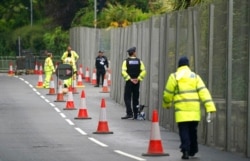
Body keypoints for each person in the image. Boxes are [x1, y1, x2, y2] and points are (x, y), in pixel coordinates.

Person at [162, 56, 216, 159]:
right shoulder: (195, 76)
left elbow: (168, 94)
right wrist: (210, 107)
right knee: (193, 131)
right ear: (188, 65)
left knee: (184, 131)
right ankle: (193, 149)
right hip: (194, 111)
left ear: (179, 65)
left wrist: (167, 104)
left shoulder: (174, 76)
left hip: (181, 112)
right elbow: (204, 92)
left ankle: (185, 150)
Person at [121, 47, 146, 119]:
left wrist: (129, 79)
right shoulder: (139, 61)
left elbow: (123, 71)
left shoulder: (126, 61)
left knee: (127, 97)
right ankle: (136, 114)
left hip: (129, 82)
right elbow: (144, 71)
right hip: (137, 82)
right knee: (136, 98)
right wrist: (138, 78)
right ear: (134, 53)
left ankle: (129, 113)